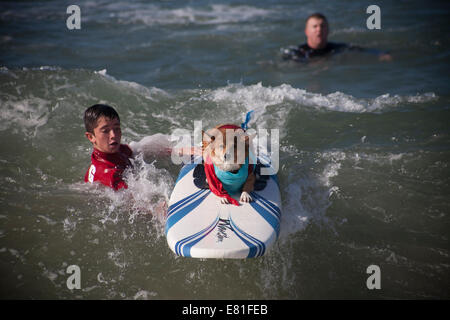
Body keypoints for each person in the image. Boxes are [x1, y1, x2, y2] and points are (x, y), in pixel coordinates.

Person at [83, 104, 200, 191]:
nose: (113, 135)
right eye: (105, 131)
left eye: (117, 128)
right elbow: (134, 203)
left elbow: (142, 149)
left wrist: (179, 151)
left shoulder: (118, 150)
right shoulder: (109, 175)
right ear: (91, 137)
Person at [282, 13, 392, 62]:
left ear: (328, 30)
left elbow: (362, 49)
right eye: (314, 26)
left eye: (322, 26)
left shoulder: (337, 48)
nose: (319, 29)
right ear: (306, 31)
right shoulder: (298, 52)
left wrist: (380, 53)